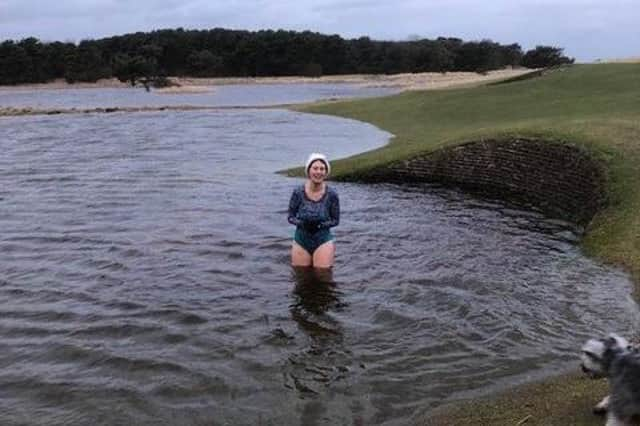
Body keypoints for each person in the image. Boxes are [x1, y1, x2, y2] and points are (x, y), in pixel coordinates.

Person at [288, 153, 340, 268]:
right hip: (301, 239)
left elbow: (336, 220)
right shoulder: (298, 192)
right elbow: (290, 217)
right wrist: (303, 223)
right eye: (315, 168)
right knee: (300, 275)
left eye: (322, 169)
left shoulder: (332, 194)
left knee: (323, 276)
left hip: (323, 240)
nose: (318, 172)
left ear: (326, 172)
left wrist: (320, 225)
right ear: (309, 171)